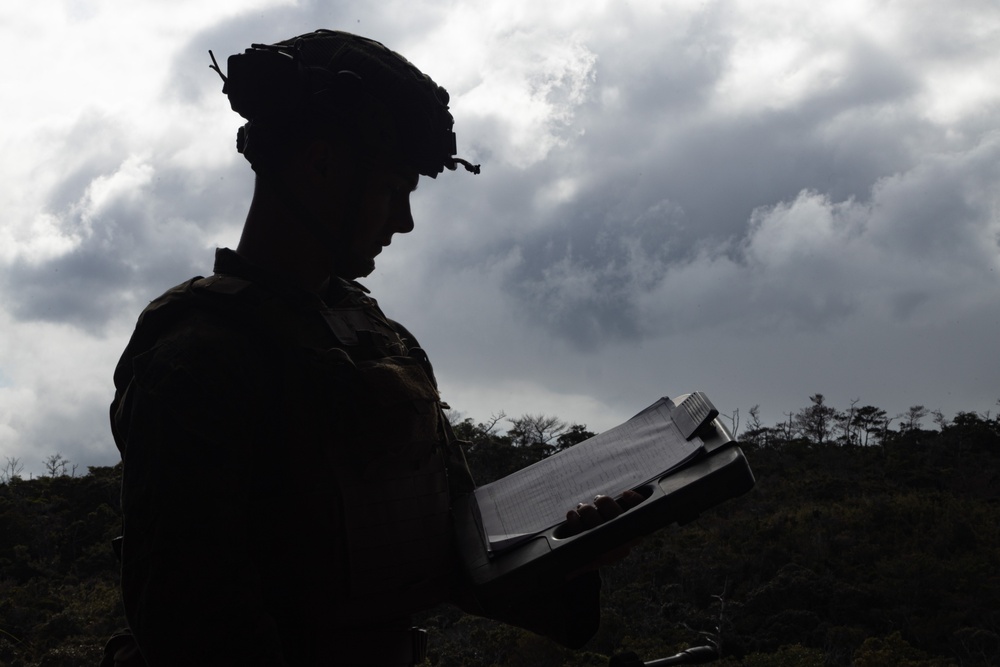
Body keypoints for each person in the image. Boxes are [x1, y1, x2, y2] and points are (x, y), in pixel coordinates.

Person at [109, 29, 638, 666]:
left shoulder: (373, 333)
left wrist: (569, 549)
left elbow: (456, 555)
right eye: (393, 189)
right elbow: (191, 622)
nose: (405, 220)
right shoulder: (198, 356)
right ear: (322, 163)